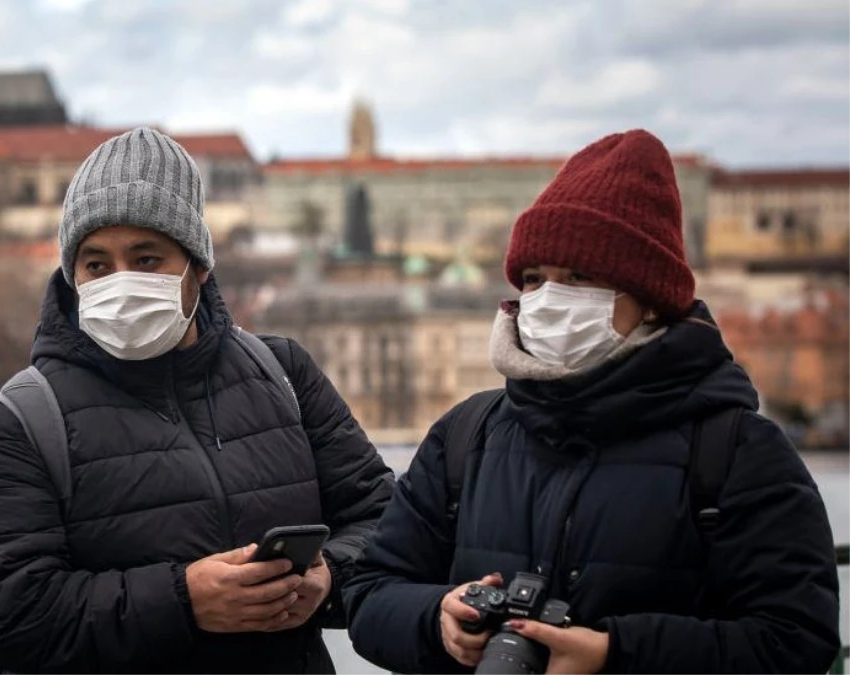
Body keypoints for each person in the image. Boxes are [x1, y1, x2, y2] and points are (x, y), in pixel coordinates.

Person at [342, 129, 841, 675]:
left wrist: (614, 654)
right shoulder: (467, 435)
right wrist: (435, 620)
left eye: (579, 278)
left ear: (650, 301)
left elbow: (796, 642)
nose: (549, 299)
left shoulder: (739, 451)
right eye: (534, 279)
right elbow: (369, 591)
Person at [0, 126, 394, 675]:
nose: (121, 281)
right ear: (72, 275)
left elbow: (386, 520)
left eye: (147, 258)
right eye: (97, 264)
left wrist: (328, 579)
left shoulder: (283, 374)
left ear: (198, 267)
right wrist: (183, 601)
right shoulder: (23, 419)